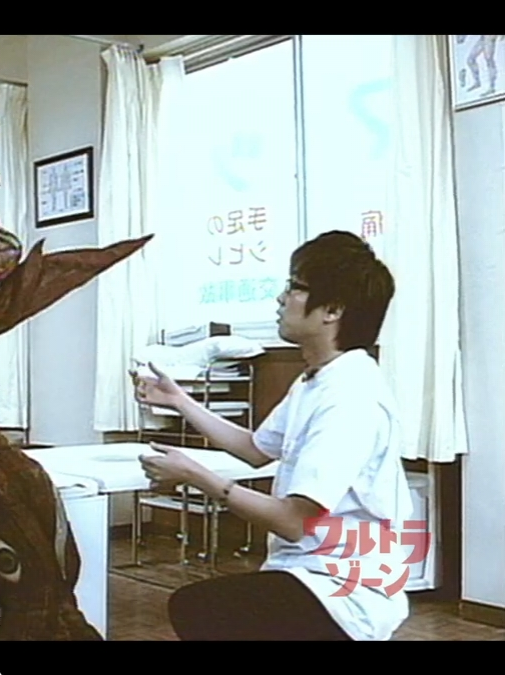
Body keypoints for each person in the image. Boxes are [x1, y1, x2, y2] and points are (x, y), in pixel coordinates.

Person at [134, 230, 413, 641]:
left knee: (199, 608)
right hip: (308, 571)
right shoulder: (316, 381)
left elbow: (293, 522)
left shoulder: (350, 398)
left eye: (295, 287)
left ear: (332, 310)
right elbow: (255, 449)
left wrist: (195, 475)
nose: (281, 298)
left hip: (344, 592)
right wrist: (179, 400)